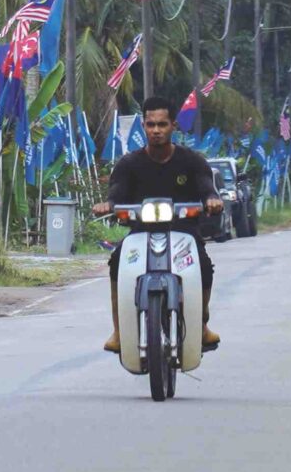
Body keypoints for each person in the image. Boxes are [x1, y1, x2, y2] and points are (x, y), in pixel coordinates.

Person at [94, 99, 224, 353]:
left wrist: (212, 199)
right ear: (143, 126)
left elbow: (207, 187)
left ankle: (202, 324)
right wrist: (108, 204)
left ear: (173, 126)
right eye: (151, 124)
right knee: (117, 261)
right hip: (141, 232)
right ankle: (119, 331)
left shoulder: (192, 161)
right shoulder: (129, 163)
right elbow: (117, 192)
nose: (156, 130)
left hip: (183, 232)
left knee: (204, 265)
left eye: (162, 124)